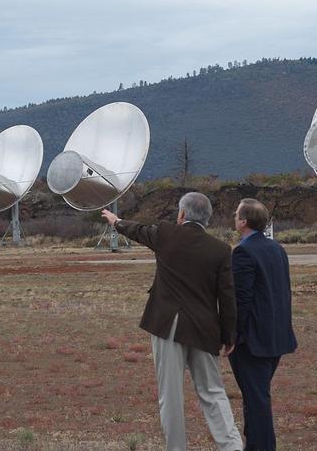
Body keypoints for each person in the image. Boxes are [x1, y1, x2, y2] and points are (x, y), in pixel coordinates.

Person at [102, 192, 243, 451]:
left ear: (182, 214)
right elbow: (227, 297)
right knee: (213, 392)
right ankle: (232, 446)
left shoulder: (166, 234)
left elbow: (139, 231)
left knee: (171, 395)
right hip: (204, 329)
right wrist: (229, 335)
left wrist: (116, 221)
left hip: (168, 325)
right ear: (207, 219)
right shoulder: (221, 250)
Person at [228, 198, 297, 451]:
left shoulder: (243, 252)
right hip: (276, 336)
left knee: (257, 400)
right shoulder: (277, 249)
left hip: (253, 340)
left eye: (237, 214)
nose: (234, 217)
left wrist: (232, 335)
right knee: (256, 396)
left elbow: (241, 299)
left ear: (243, 222)